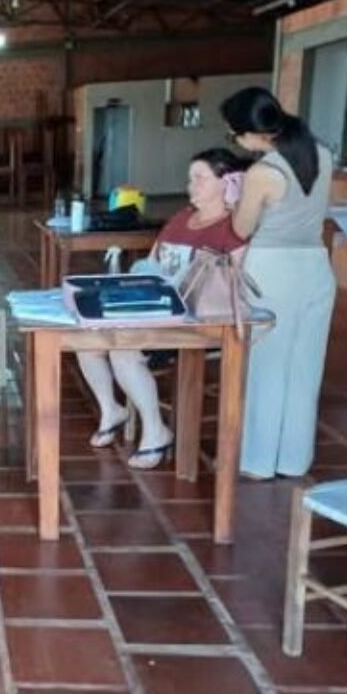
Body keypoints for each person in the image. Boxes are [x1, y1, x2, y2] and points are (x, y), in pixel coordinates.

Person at [77, 148, 248, 469]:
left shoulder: (234, 228)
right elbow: (152, 264)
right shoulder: (182, 218)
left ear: (227, 182)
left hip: (195, 320)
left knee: (123, 352)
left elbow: (234, 286)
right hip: (156, 308)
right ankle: (111, 409)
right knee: (88, 340)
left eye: (200, 178)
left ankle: (156, 431)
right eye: (190, 179)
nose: (191, 185)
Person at [220, 86, 335, 478]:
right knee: (305, 368)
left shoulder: (262, 173)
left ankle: (257, 460)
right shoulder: (323, 154)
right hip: (317, 267)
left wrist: (236, 200)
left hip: (273, 269)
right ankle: (293, 460)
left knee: (267, 366)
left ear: (250, 132)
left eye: (234, 135)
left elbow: (241, 228)